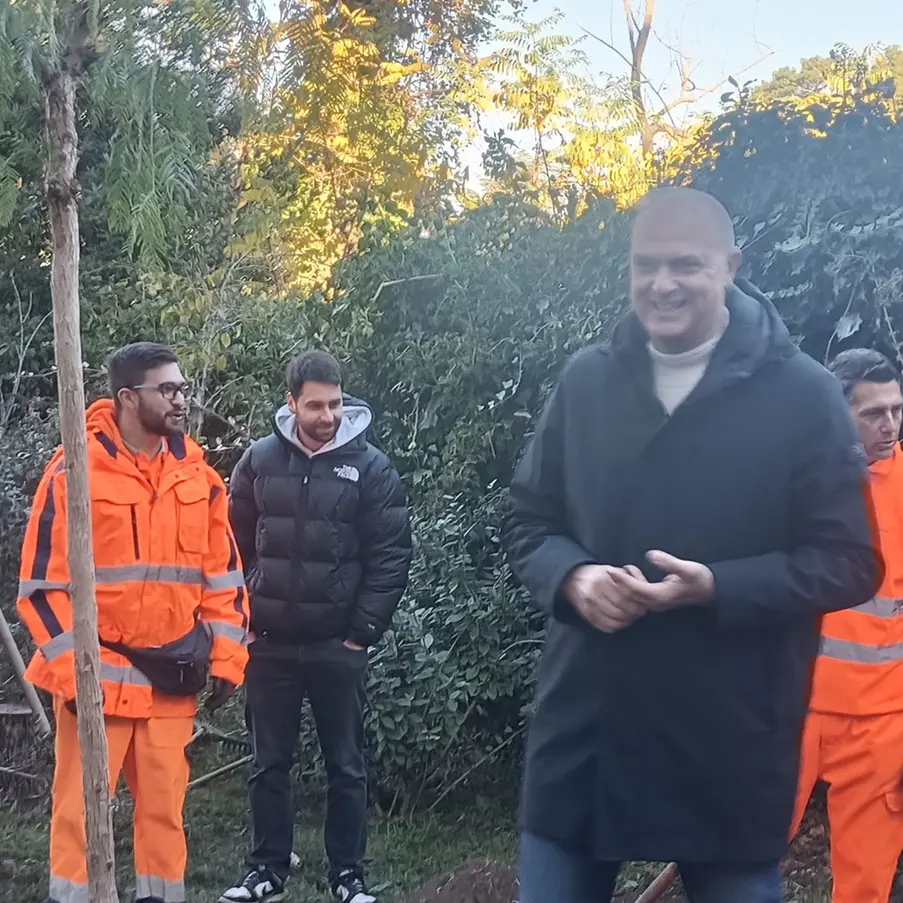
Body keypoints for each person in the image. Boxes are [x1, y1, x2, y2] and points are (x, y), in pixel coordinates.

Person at [503, 186, 883, 903]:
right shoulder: (587, 381)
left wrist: (716, 585)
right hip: (587, 737)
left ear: (730, 266)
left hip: (729, 744)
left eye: (685, 265)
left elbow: (849, 561)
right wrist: (574, 579)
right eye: (645, 265)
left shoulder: (800, 397)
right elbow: (526, 518)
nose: (661, 284)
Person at [17, 342, 250, 903]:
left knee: (164, 815)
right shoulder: (74, 472)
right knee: (79, 814)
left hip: (172, 677)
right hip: (98, 681)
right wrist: (78, 676)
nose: (180, 400)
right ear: (126, 397)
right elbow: (41, 589)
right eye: (166, 389)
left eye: (182, 389)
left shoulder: (200, 478)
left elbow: (224, 579)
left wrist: (226, 658)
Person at [221, 350, 412, 903]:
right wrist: (246, 619)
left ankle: (347, 877)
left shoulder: (370, 466)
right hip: (269, 643)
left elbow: (391, 552)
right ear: (291, 403)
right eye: (316, 405)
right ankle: (267, 872)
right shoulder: (258, 461)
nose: (328, 415)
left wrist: (363, 631)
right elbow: (228, 546)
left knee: (346, 768)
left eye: (335, 404)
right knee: (268, 764)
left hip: (338, 644)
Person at [790, 348, 903, 903]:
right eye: (874, 413)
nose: (891, 425)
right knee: (735, 861)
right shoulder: (795, 479)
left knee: (866, 888)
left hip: (883, 726)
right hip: (790, 708)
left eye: (897, 410)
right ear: (838, 414)